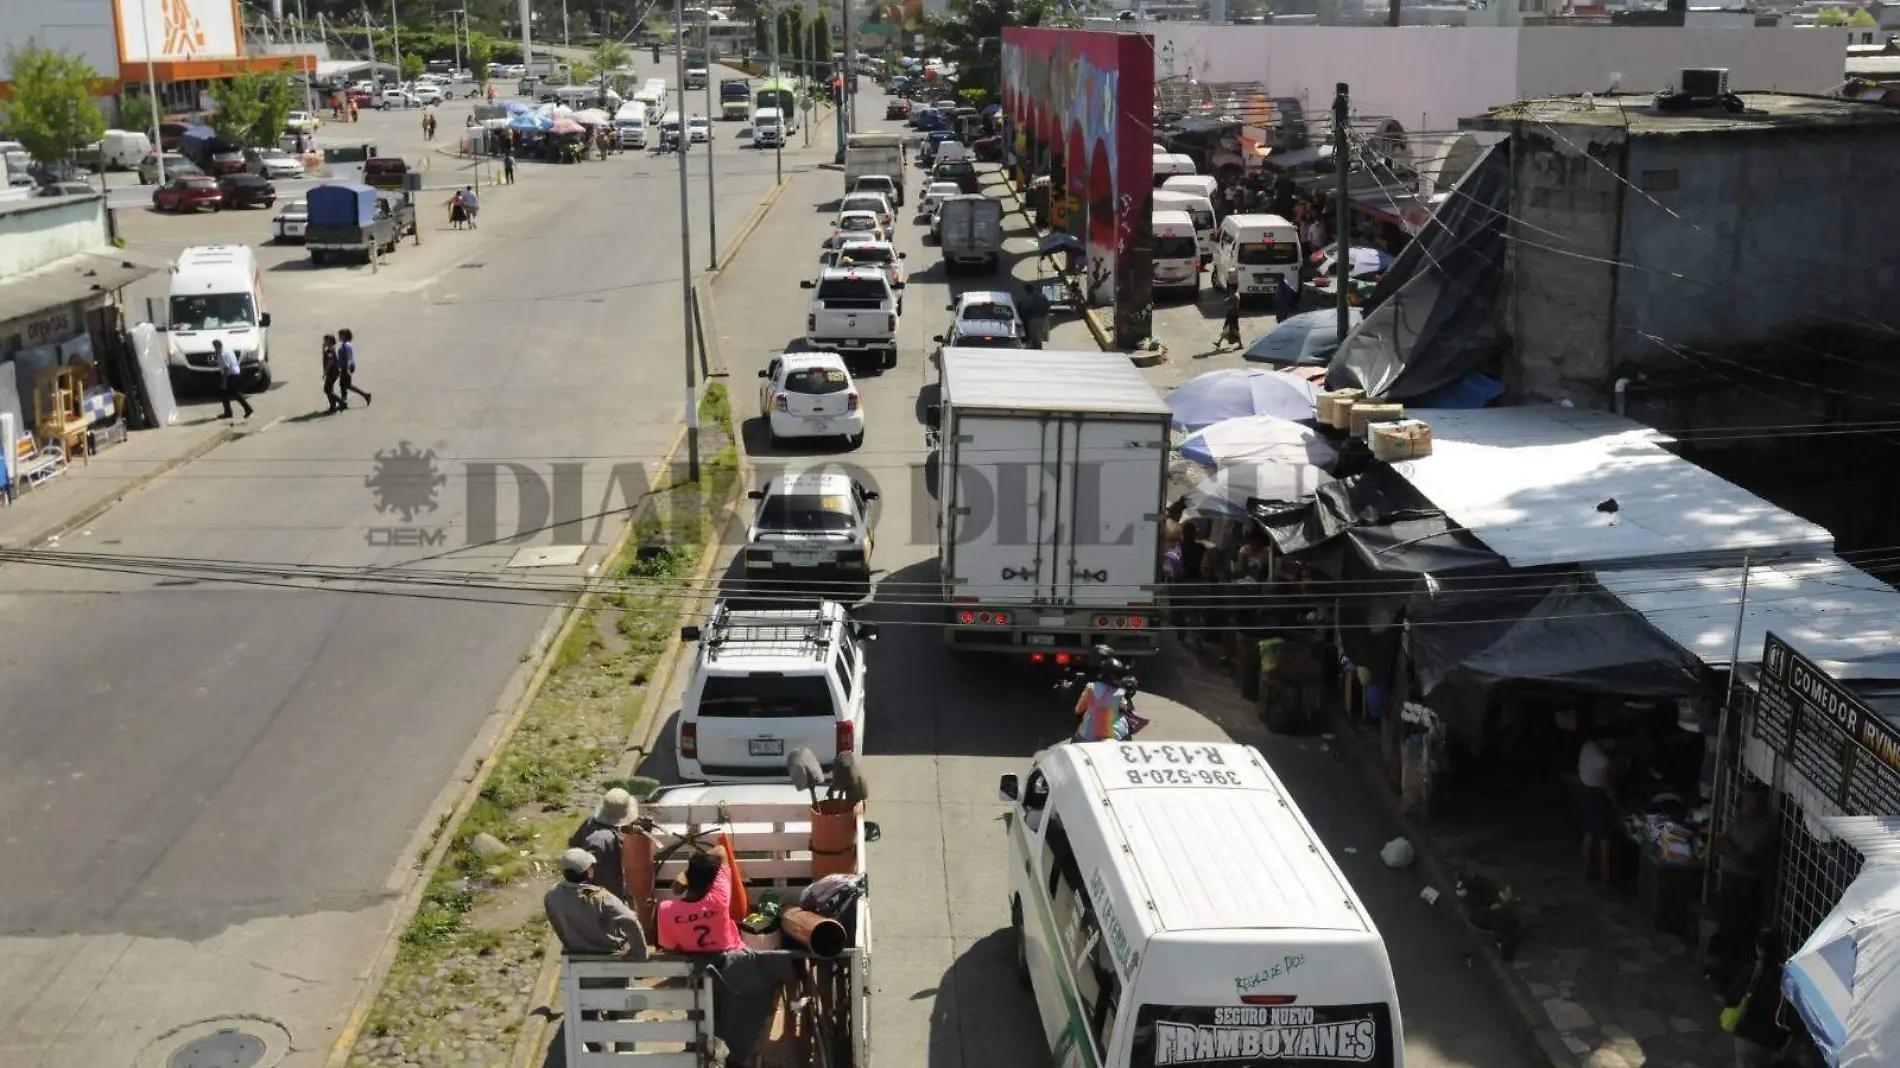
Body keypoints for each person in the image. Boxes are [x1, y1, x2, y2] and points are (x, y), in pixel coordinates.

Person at [545, 848, 648, 1054]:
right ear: (589, 872)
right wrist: (639, 954)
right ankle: (624, 1060)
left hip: (579, 970)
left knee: (588, 1019)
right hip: (612, 969)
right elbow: (630, 920)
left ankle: (601, 1058)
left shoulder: (552, 896)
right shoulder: (600, 897)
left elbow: (557, 927)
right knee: (623, 1019)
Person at [1712, 784, 1777, 981]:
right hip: (1730, 881)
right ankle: (1724, 971)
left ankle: (1736, 977)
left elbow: (1747, 859)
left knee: (1741, 933)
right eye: (1745, 801)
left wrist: (1730, 850)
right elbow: (1720, 843)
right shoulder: (1738, 821)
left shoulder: (1765, 829)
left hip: (1747, 887)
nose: (1746, 806)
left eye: (1751, 802)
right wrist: (1733, 851)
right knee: (1726, 926)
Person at [655, 849, 743, 953]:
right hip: (728, 956)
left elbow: (671, 947)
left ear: (687, 878)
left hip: (691, 961)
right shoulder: (719, 898)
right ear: (711, 885)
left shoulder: (666, 909)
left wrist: (689, 873)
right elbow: (720, 852)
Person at [568, 788, 638, 901]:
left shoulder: (589, 823)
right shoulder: (603, 838)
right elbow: (586, 861)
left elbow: (573, 843)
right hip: (603, 896)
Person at [1578, 732, 1621, 889]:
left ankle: (1584, 871)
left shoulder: (1588, 746)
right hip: (1597, 797)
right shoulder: (1603, 760)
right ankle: (1605, 880)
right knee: (1605, 840)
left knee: (1589, 834)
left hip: (1585, 793)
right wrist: (1617, 804)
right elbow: (1606, 785)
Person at [1072, 662, 1129, 742]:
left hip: (1089, 736)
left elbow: (1078, 709)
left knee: (1076, 743)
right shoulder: (1121, 691)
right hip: (1116, 735)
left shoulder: (1092, 687)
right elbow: (1125, 707)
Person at [213, 340, 254, 420]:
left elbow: (226, 369)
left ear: (218, 346)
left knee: (230, 393)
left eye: (215, 347)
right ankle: (230, 411)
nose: (214, 349)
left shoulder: (222, 354)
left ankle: (245, 409)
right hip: (236, 373)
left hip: (231, 376)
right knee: (231, 394)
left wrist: (224, 382)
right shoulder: (227, 349)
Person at [335, 328, 372, 408]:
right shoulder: (346, 344)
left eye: (340, 335)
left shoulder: (346, 345)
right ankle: (343, 401)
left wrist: (346, 367)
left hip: (345, 367)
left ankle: (365, 395)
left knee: (347, 385)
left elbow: (347, 357)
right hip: (345, 367)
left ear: (344, 336)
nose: (339, 337)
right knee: (343, 385)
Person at [1214, 283, 1243, 351]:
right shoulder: (1234, 295)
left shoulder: (1235, 296)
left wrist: (1227, 301)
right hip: (1231, 314)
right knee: (1227, 329)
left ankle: (1240, 344)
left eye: (1230, 289)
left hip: (1233, 315)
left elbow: (1229, 304)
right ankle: (1219, 342)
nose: (1229, 290)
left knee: (1234, 330)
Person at [321, 334, 342, 413]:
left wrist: (325, 372)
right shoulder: (329, 349)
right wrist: (323, 348)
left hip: (332, 372)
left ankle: (340, 403)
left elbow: (330, 362)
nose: (324, 342)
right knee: (329, 389)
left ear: (329, 342)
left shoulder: (331, 350)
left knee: (327, 389)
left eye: (326, 341)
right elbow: (324, 357)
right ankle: (334, 406)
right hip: (332, 372)